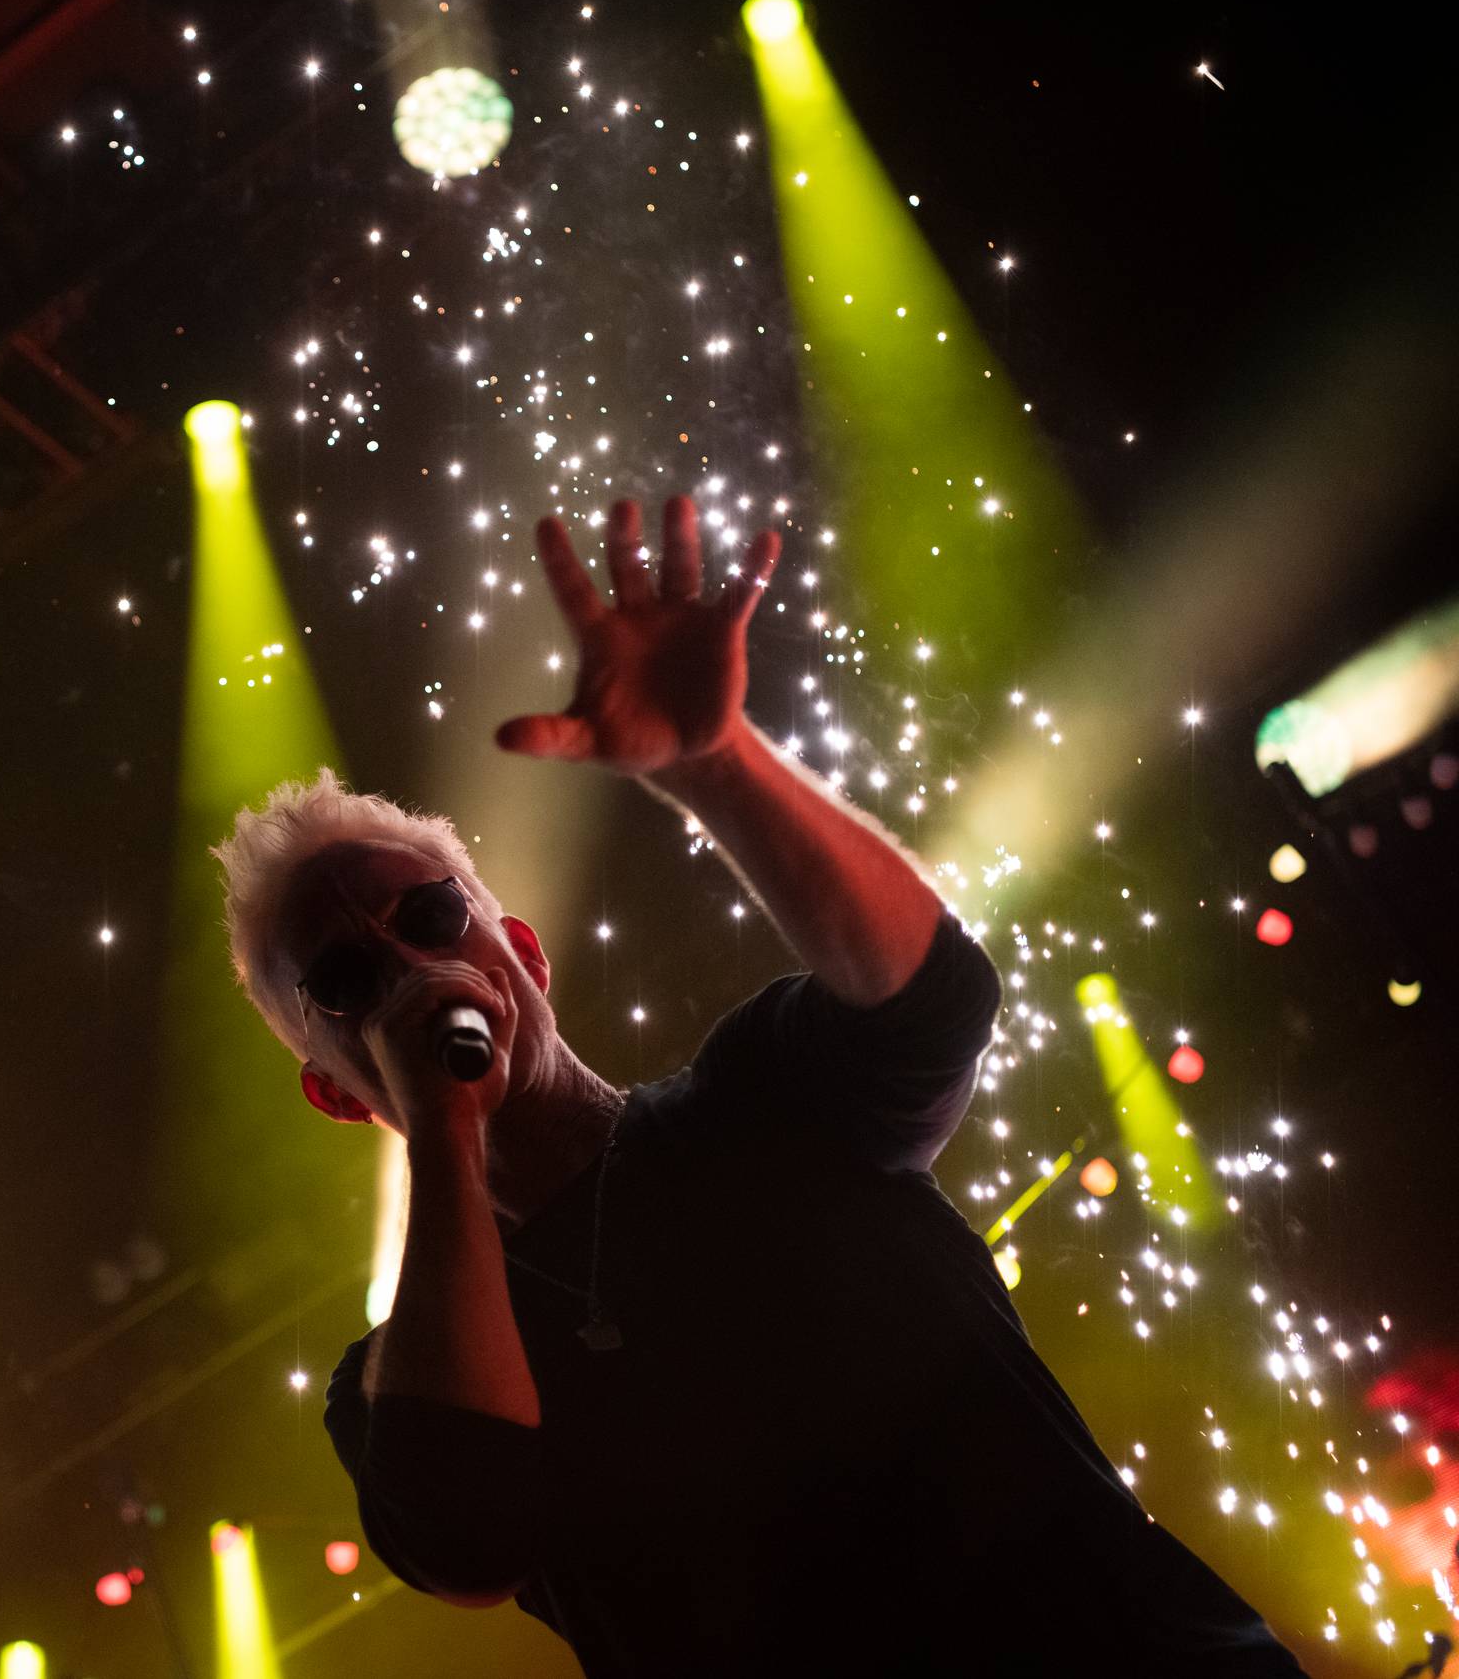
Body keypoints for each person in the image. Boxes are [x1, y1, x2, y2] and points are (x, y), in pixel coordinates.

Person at [209, 498, 1307, 1676]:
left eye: (431, 916)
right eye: (346, 980)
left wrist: (715, 765)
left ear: (521, 950)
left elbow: (937, 1000)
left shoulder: (766, 1098)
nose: (412, 968)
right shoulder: (391, 1382)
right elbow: (465, 1536)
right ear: (335, 1092)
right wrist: (438, 1121)